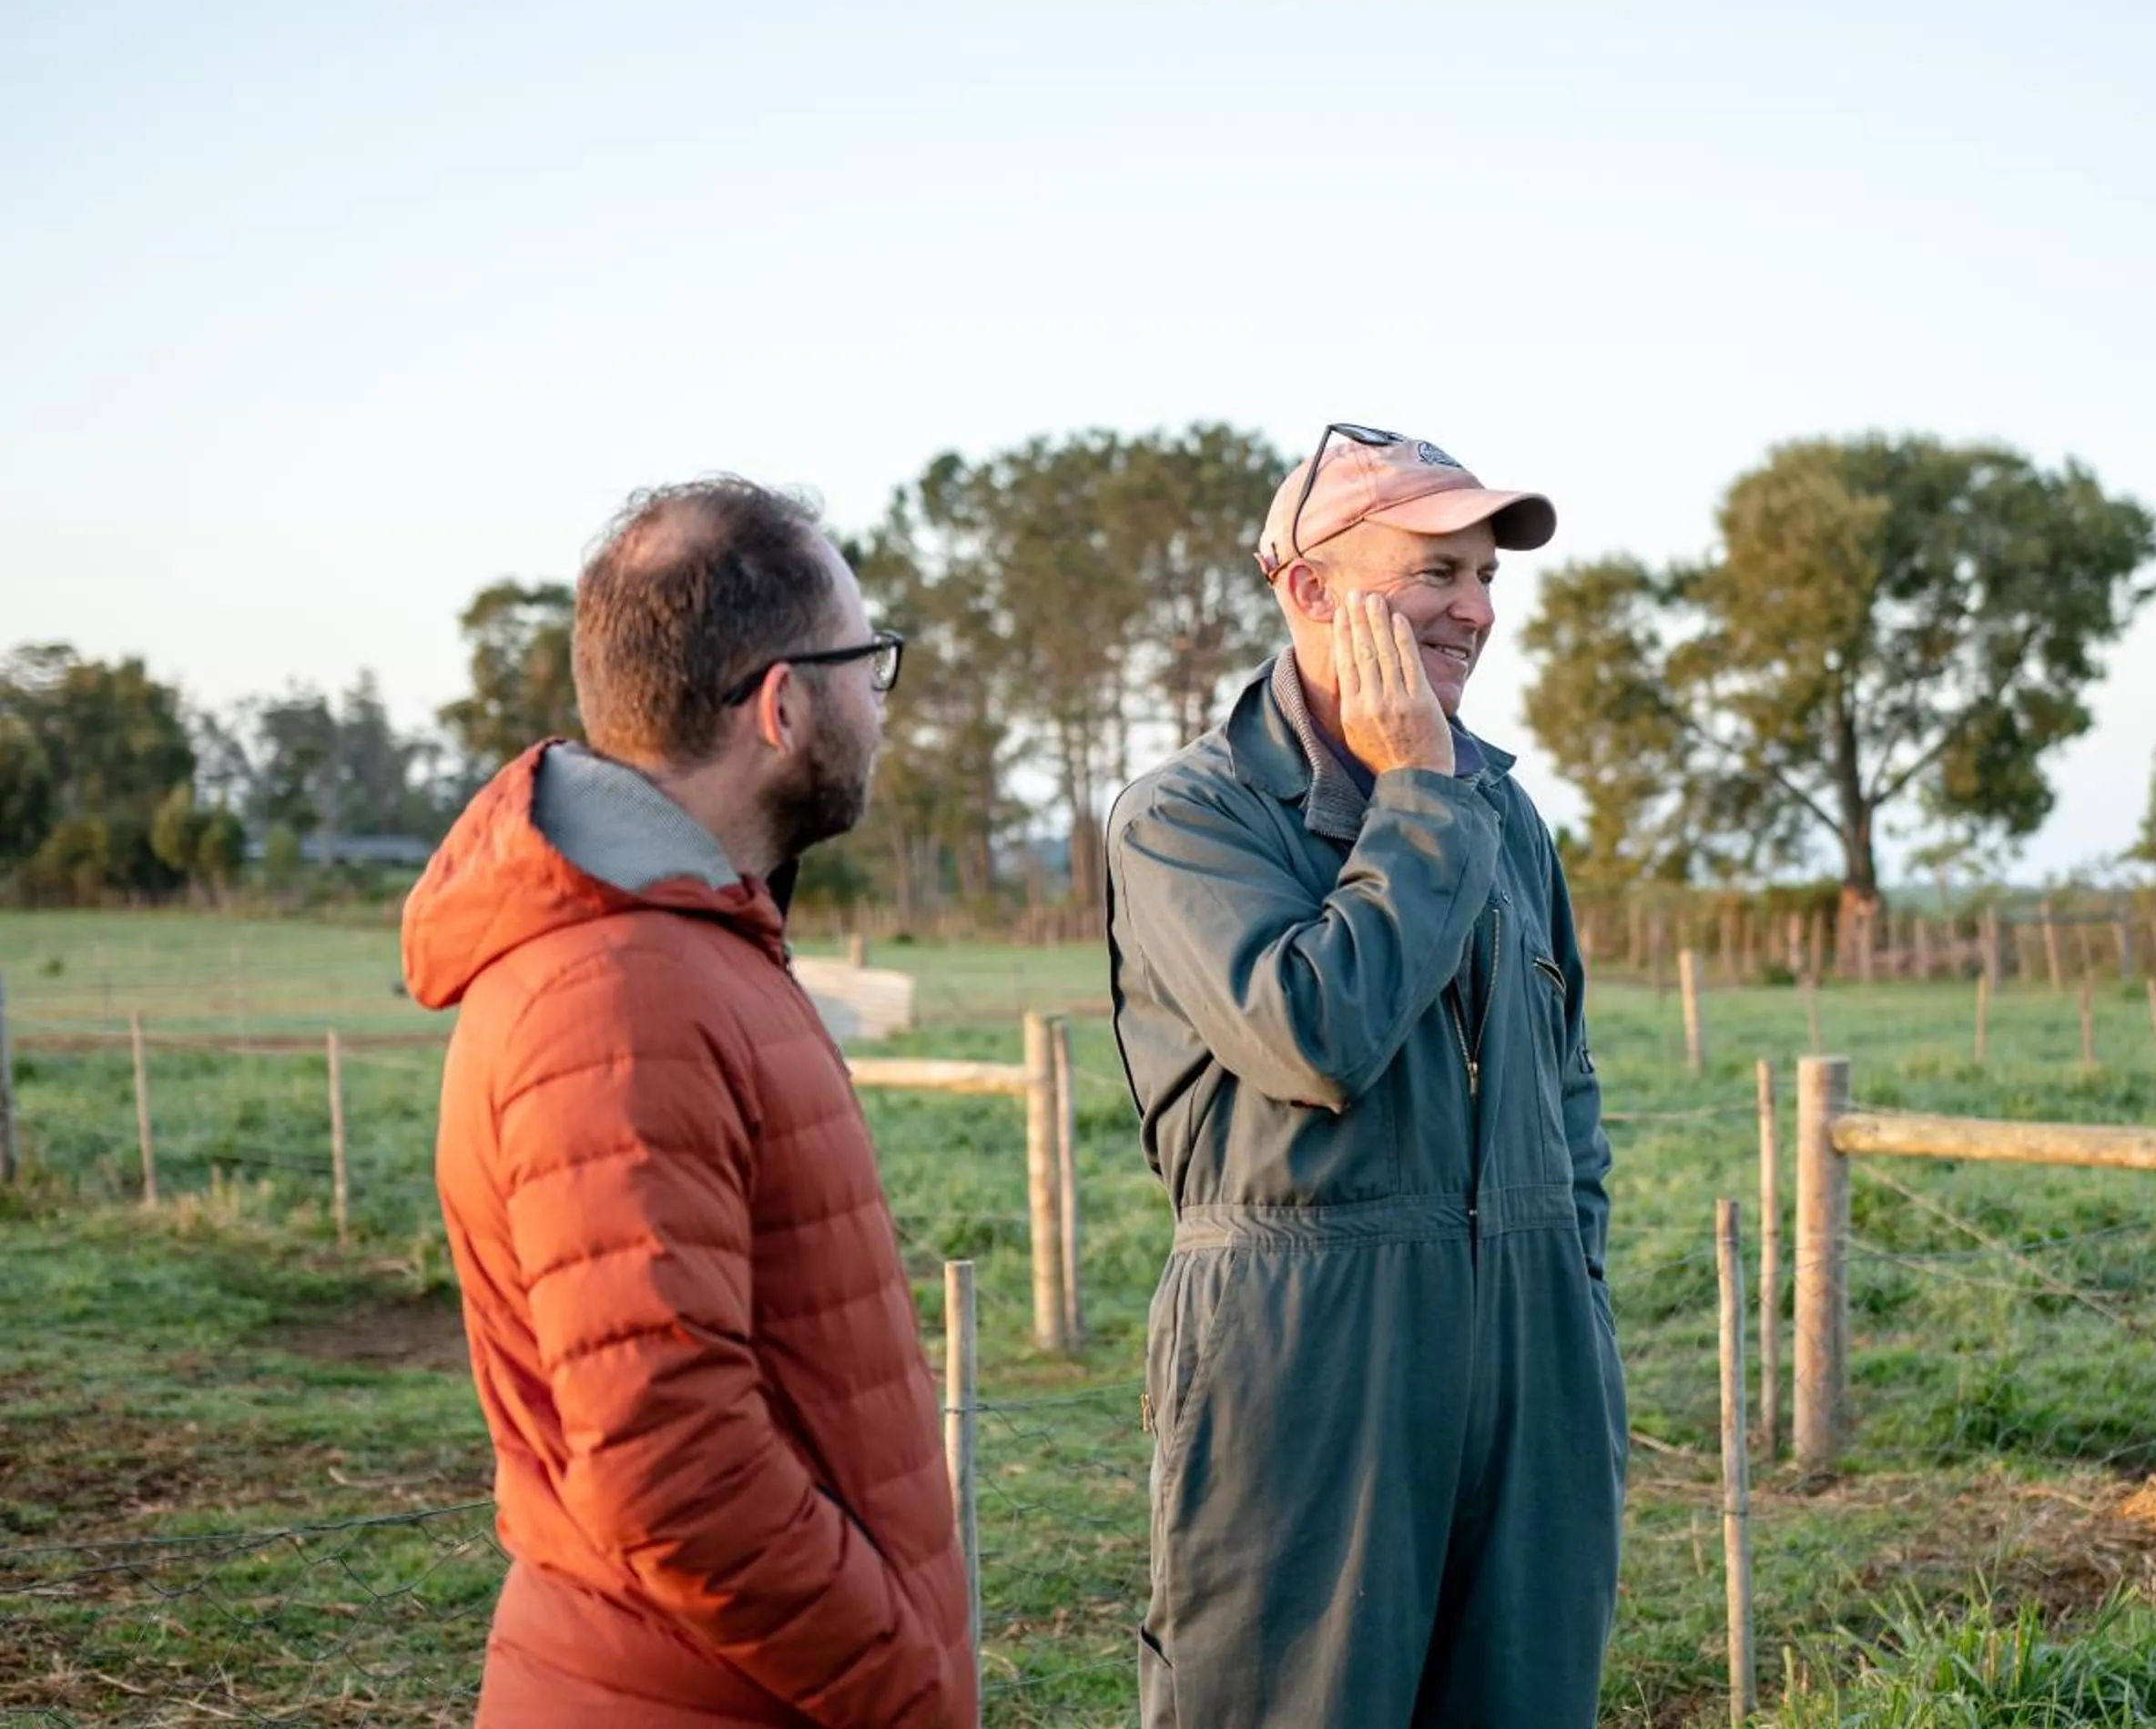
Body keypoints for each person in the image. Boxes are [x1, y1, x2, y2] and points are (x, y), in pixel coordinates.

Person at [401, 477, 976, 1728]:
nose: (878, 705)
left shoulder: (691, 948)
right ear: (782, 703)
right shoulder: (620, 995)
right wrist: (904, 1685)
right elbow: (674, 1467)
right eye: (865, 662)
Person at [1104, 424, 1627, 1727]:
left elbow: (1567, 1092)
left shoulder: (1505, 813)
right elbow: (1316, 1038)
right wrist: (1417, 797)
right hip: (1307, 1349)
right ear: (1310, 589)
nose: (1474, 610)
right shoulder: (1190, 816)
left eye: (1487, 576)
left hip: (1531, 1350)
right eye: (1435, 571)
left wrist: (1577, 1302)